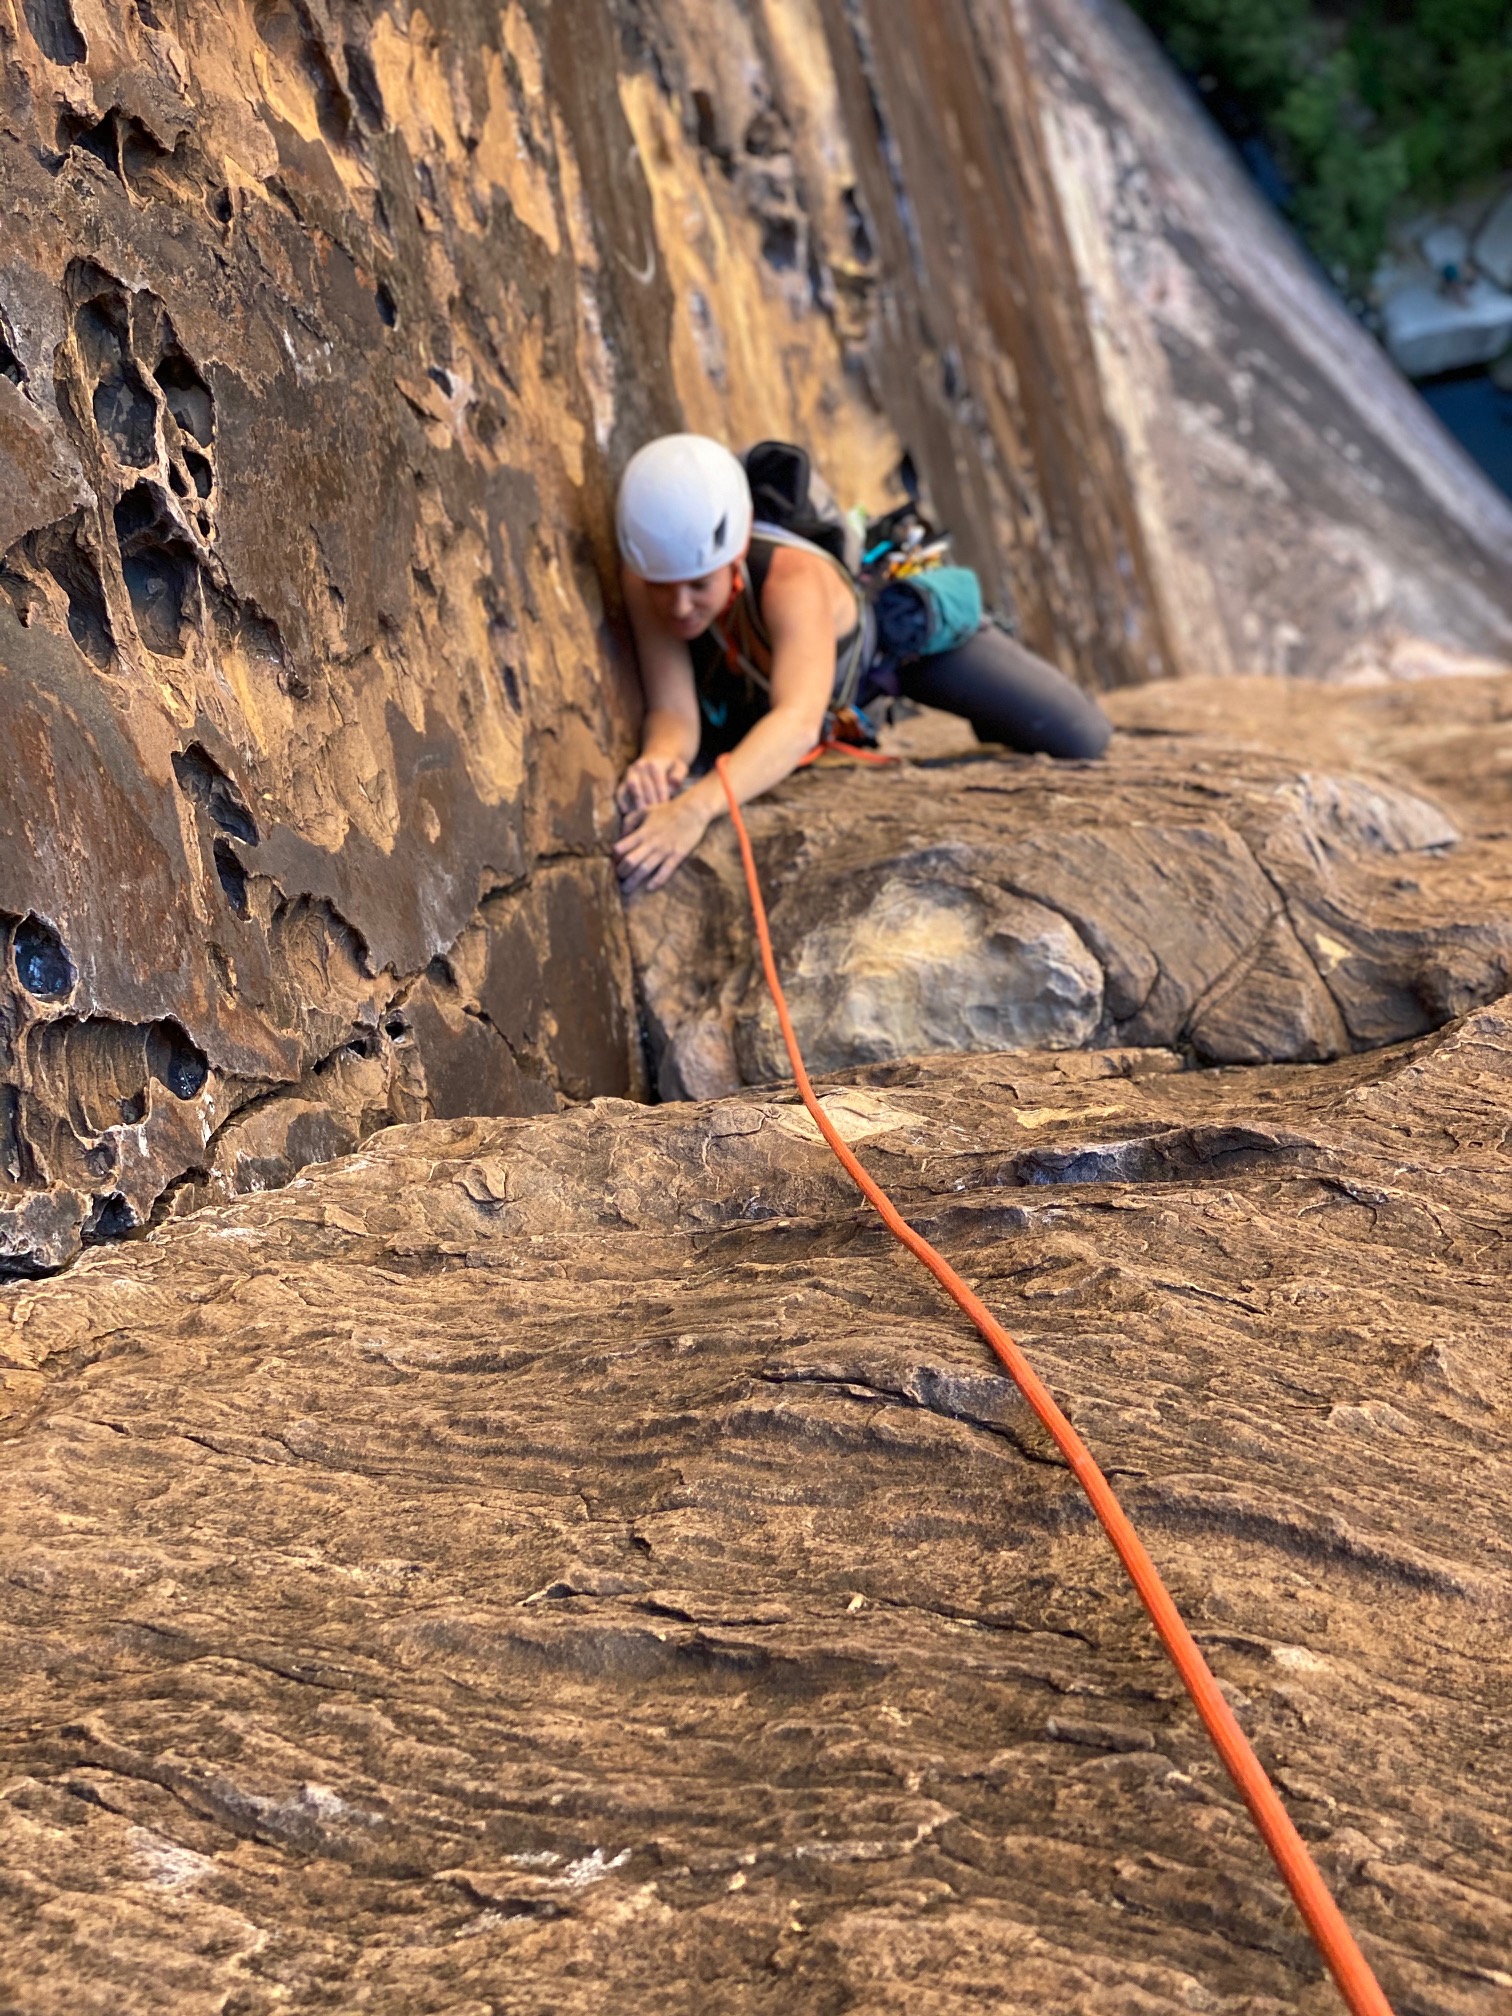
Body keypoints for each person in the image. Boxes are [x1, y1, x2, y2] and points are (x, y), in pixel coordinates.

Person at [611, 434, 1110, 894]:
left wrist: (695, 811)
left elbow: (797, 724)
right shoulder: (649, 575)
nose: (678, 607)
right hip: (772, 689)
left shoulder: (790, 579)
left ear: (736, 550)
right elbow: (674, 713)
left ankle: (982, 653)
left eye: (699, 585)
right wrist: (662, 760)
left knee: (1080, 736)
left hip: (887, 658)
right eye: (664, 588)